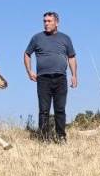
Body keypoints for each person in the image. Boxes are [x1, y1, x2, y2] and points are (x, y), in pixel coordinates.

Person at [24, 11, 78, 142]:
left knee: (60, 109)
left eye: (49, 21)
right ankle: (43, 138)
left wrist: (74, 75)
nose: (46, 24)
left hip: (60, 78)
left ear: (57, 23)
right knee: (44, 110)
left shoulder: (65, 38)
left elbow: (71, 57)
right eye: (44, 21)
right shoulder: (37, 38)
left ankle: (61, 137)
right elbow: (27, 54)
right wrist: (29, 71)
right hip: (43, 78)